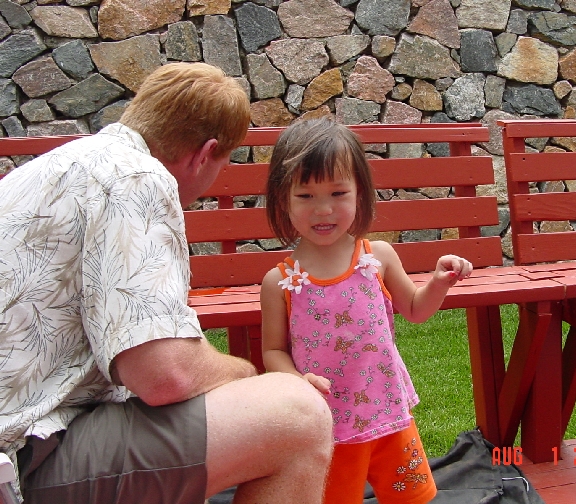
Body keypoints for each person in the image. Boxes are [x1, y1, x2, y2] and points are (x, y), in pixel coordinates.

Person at [0, 62, 333, 504]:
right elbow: (163, 374)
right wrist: (248, 375)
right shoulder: (137, 177)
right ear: (204, 154)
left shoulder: (54, 167)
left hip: (26, 438)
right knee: (296, 415)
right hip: (19, 460)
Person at [260, 117, 473, 504]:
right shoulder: (280, 282)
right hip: (328, 425)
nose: (323, 209)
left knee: (412, 499)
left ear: (360, 193)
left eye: (338, 193)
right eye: (305, 196)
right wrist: (297, 381)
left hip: (388, 413)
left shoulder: (378, 258)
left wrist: (439, 282)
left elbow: (415, 309)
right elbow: (273, 350)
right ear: (282, 200)